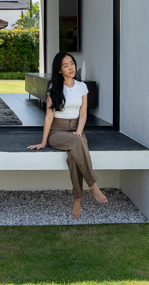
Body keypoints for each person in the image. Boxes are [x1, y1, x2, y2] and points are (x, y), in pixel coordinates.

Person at [28, 52, 108, 218]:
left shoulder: (81, 87)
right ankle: (92, 185)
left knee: (74, 156)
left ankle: (77, 199)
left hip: (76, 130)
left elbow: (83, 113)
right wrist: (43, 142)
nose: (70, 67)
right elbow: (49, 116)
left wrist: (79, 130)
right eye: (65, 65)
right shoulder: (54, 88)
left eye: (71, 63)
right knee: (77, 143)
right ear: (59, 70)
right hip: (57, 131)